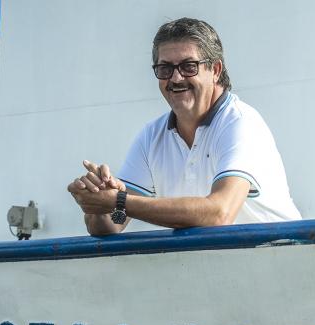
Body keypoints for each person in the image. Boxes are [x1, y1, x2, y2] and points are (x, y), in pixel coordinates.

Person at [67, 17, 301, 236]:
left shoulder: (241, 122)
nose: (176, 78)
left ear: (216, 70)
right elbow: (114, 223)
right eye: (165, 68)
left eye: (189, 66)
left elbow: (220, 213)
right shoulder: (151, 136)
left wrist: (119, 200)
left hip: (282, 264)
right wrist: (98, 201)